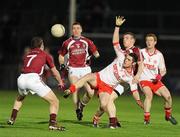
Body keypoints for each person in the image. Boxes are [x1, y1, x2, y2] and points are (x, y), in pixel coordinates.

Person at [63, 17, 140, 128]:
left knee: (104, 105)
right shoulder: (121, 55)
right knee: (87, 76)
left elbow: (134, 88)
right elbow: (115, 42)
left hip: (107, 87)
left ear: (132, 63)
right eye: (126, 58)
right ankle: (70, 90)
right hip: (98, 78)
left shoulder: (129, 75)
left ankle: (97, 118)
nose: (125, 60)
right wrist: (117, 27)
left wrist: (138, 100)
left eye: (128, 60)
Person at [7, 37, 66, 131]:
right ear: (41, 45)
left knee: (20, 97)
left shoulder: (28, 55)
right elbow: (54, 72)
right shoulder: (45, 54)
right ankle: (52, 124)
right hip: (33, 79)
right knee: (55, 101)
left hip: (21, 78)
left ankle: (12, 119)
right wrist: (60, 82)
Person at [58, 22, 100, 121]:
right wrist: (62, 64)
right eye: (74, 28)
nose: (76, 30)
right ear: (72, 30)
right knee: (75, 88)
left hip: (85, 69)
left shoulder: (87, 41)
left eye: (78, 28)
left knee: (90, 92)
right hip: (73, 69)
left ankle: (81, 105)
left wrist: (93, 53)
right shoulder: (67, 43)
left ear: (81, 30)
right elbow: (61, 56)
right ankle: (77, 110)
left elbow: (97, 54)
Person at [139, 33, 178, 125]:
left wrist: (159, 76)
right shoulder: (141, 52)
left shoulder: (159, 55)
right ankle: (146, 119)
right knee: (149, 95)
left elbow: (163, 70)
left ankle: (168, 116)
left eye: (151, 40)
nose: (149, 42)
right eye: (147, 40)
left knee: (168, 97)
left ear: (155, 42)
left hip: (155, 81)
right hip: (144, 79)